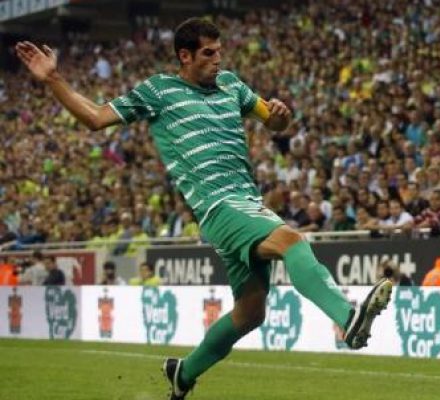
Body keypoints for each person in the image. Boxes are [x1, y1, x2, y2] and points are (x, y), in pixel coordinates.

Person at [16, 18, 392, 400]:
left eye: (219, 52)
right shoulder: (160, 91)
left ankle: (184, 373)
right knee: (291, 241)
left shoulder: (232, 85)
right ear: (185, 55)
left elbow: (275, 121)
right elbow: (96, 118)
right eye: (208, 54)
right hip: (217, 207)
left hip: (246, 203)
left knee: (251, 313)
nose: (217, 60)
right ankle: (348, 318)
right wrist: (53, 79)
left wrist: (280, 115)